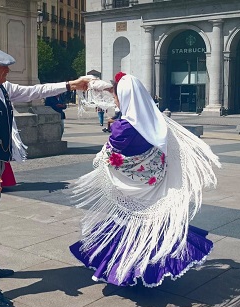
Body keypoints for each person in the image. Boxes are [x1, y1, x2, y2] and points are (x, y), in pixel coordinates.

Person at [0, 47, 90, 307]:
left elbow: (35, 92)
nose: (7, 72)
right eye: (2, 68)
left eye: (7, 68)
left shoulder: (1, 88)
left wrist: (71, 84)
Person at [70, 73, 220, 288]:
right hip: (154, 185)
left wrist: (113, 125)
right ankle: (152, 268)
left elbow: (111, 156)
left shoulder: (124, 128)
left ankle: (131, 271)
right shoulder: (157, 121)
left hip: (132, 189)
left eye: (117, 96)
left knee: (129, 231)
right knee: (153, 229)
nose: (115, 100)